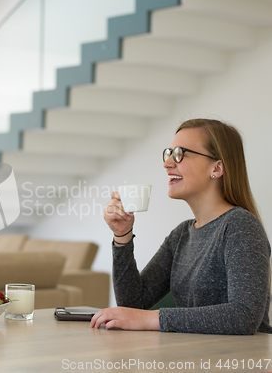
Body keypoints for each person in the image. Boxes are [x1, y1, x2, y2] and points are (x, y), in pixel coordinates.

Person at [91, 118, 272, 335]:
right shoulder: (181, 235)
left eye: (180, 154)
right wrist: (122, 236)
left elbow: (244, 316)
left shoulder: (241, 226)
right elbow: (133, 304)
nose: (168, 163)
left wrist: (152, 318)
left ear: (217, 168)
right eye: (169, 153)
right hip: (194, 357)